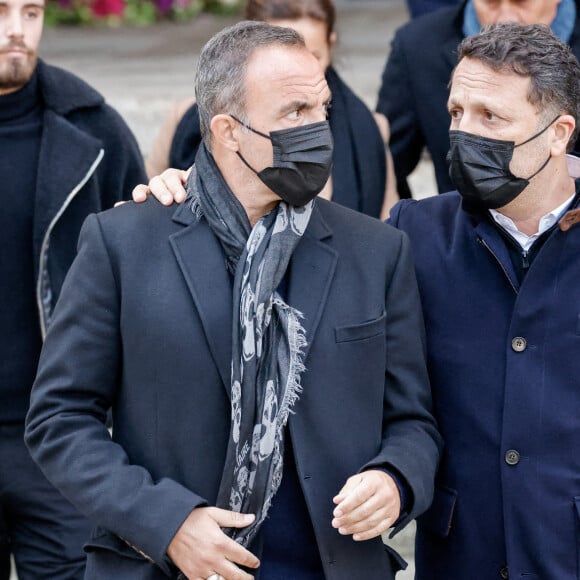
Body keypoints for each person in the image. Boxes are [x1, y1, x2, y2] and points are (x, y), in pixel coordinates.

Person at [24, 21, 441, 580]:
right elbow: (59, 419)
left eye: (322, 109)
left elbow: (414, 420)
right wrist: (167, 523)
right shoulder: (122, 243)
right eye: (294, 113)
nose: (318, 129)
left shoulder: (377, 251)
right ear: (228, 130)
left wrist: (396, 478)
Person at [388, 22, 580, 579]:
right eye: (456, 114)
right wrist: (195, 197)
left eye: (490, 117)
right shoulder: (412, 232)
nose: (464, 133)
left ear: (557, 132)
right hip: (461, 556)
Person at [0, 0, 146, 577]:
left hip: (59, 440)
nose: (17, 30)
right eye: (1, 11)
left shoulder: (93, 128)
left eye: (30, 11)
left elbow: (147, 265)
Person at [146, 0, 399, 219]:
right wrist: (163, 191)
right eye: (277, 63)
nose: (297, 73)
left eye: (312, 57)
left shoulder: (369, 130)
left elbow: (385, 231)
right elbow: (149, 214)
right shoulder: (186, 121)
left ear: (331, 46)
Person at [376, 0, 580, 198]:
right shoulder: (418, 46)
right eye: (490, 2)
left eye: (522, 2)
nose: (505, 17)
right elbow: (386, 165)